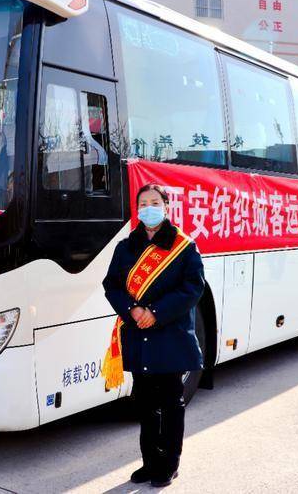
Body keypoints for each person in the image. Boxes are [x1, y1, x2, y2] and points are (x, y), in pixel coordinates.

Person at [102, 182, 205, 487]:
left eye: (154, 202)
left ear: (166, 207)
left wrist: (155, 313)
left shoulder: (184, 248)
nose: (149, 208)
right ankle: (149, 462)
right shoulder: (126, 247)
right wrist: (132, 310)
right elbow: (112, 285)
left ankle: (169, 464)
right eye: (143, 203)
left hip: (169, 335)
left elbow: (192, 288)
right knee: (145, 403)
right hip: (138, 335)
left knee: (171, 402)